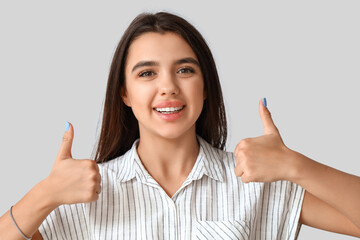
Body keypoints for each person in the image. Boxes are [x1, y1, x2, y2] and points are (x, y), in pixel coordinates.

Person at [0, 11, 359, 240]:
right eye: (147, 73)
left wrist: (296, 166)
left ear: (205, 88)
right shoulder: (81, 196)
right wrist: (44, 194)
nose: (168, 85)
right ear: (124, 93)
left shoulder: (258, 185)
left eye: (185, 70)